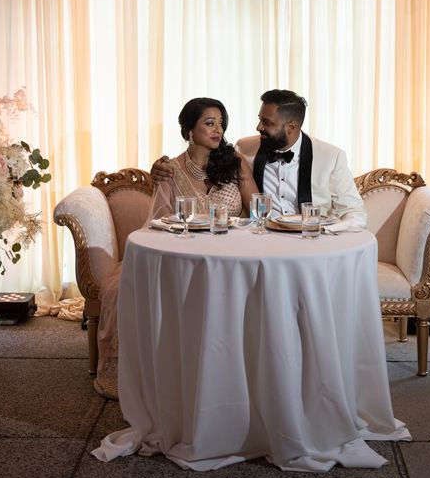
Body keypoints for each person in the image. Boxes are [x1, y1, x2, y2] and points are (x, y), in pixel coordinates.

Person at [94, 97, 258, 400]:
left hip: (232, 254)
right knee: (132, 286)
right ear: (189, 130)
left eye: (221, 123)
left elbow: (258, 210)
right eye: (209, 123)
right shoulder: (169, 170)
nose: (218, 130)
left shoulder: (234, 164)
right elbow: (159, 222)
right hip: (187, 255)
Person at [152, 89, 366, 227]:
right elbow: (206, 162)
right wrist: (160, 169)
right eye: (259, 119)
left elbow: (354, 211)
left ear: (291, 127)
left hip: (312, 240)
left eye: (267, 123)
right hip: (263, 240)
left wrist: (330, 234)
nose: (258, 127)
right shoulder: (245, 149)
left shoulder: (331, 157)